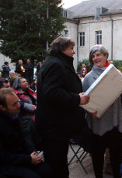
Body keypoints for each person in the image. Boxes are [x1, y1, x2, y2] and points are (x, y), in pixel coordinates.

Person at [36, 36, 89, 178]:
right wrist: (77, 98)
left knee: (60, 164)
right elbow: (52, 93)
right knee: (57, 166)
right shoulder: (55, 64)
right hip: (53, 128)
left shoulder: (57, 62)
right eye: (71, 49)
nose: (74, 52)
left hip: (57, 127)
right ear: (61, 49)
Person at [82, 45, 122, 178]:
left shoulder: (116, 73)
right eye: (93, 56)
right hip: (98, 122)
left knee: (116, 156)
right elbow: (85, 102)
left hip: (115, 121)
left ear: (105, 56)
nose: (96, 58)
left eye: (98, 55)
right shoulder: (88, 77)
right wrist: (90, 111)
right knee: (97, 156)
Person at [0, 88, 50, 178]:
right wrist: (28, 159)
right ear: (2, 107)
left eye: (18, 101)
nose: (19, 105)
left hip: (22, 158)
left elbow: (24, 137)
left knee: (48, 170)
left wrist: (33, 152)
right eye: (14, 104)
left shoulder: (14, 114)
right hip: (6, 164)